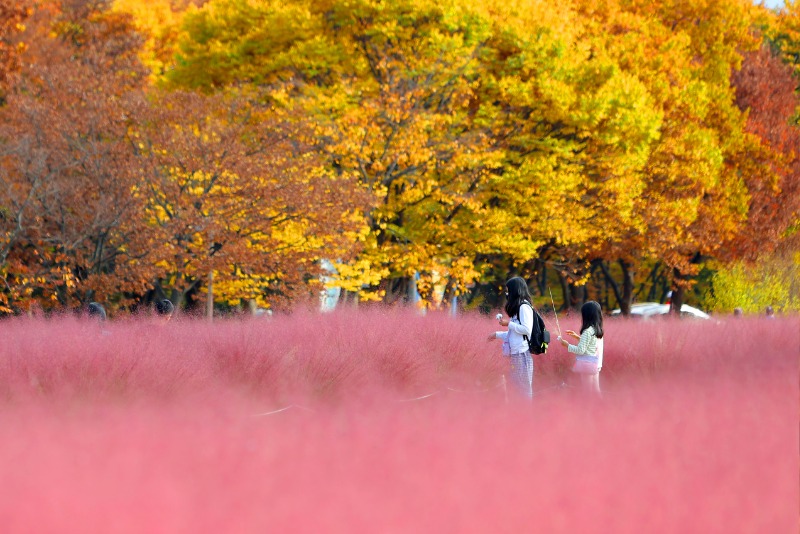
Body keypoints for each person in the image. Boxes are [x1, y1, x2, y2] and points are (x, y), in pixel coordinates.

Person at [487, 276, 534, 400]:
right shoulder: (518, 309)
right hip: (515, 354)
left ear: (515, 290)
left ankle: (526, 416)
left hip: (522, 354)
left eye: (508, 290)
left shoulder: (524, 307)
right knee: (515, 388)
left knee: (522, 389)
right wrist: (496, 335)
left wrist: (509, 323)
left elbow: (526, 330)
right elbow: (513, 334)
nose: (507, 293)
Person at [559, 301, 604, 395]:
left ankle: (589, 409)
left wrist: (567, 345)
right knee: (596, 390)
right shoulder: (596, 330)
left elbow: (580, 350)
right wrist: (576, 337)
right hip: (595, 363)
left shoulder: (587, 332)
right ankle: (602, 408)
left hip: (587, 364)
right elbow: (590, 345)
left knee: (587, 391)